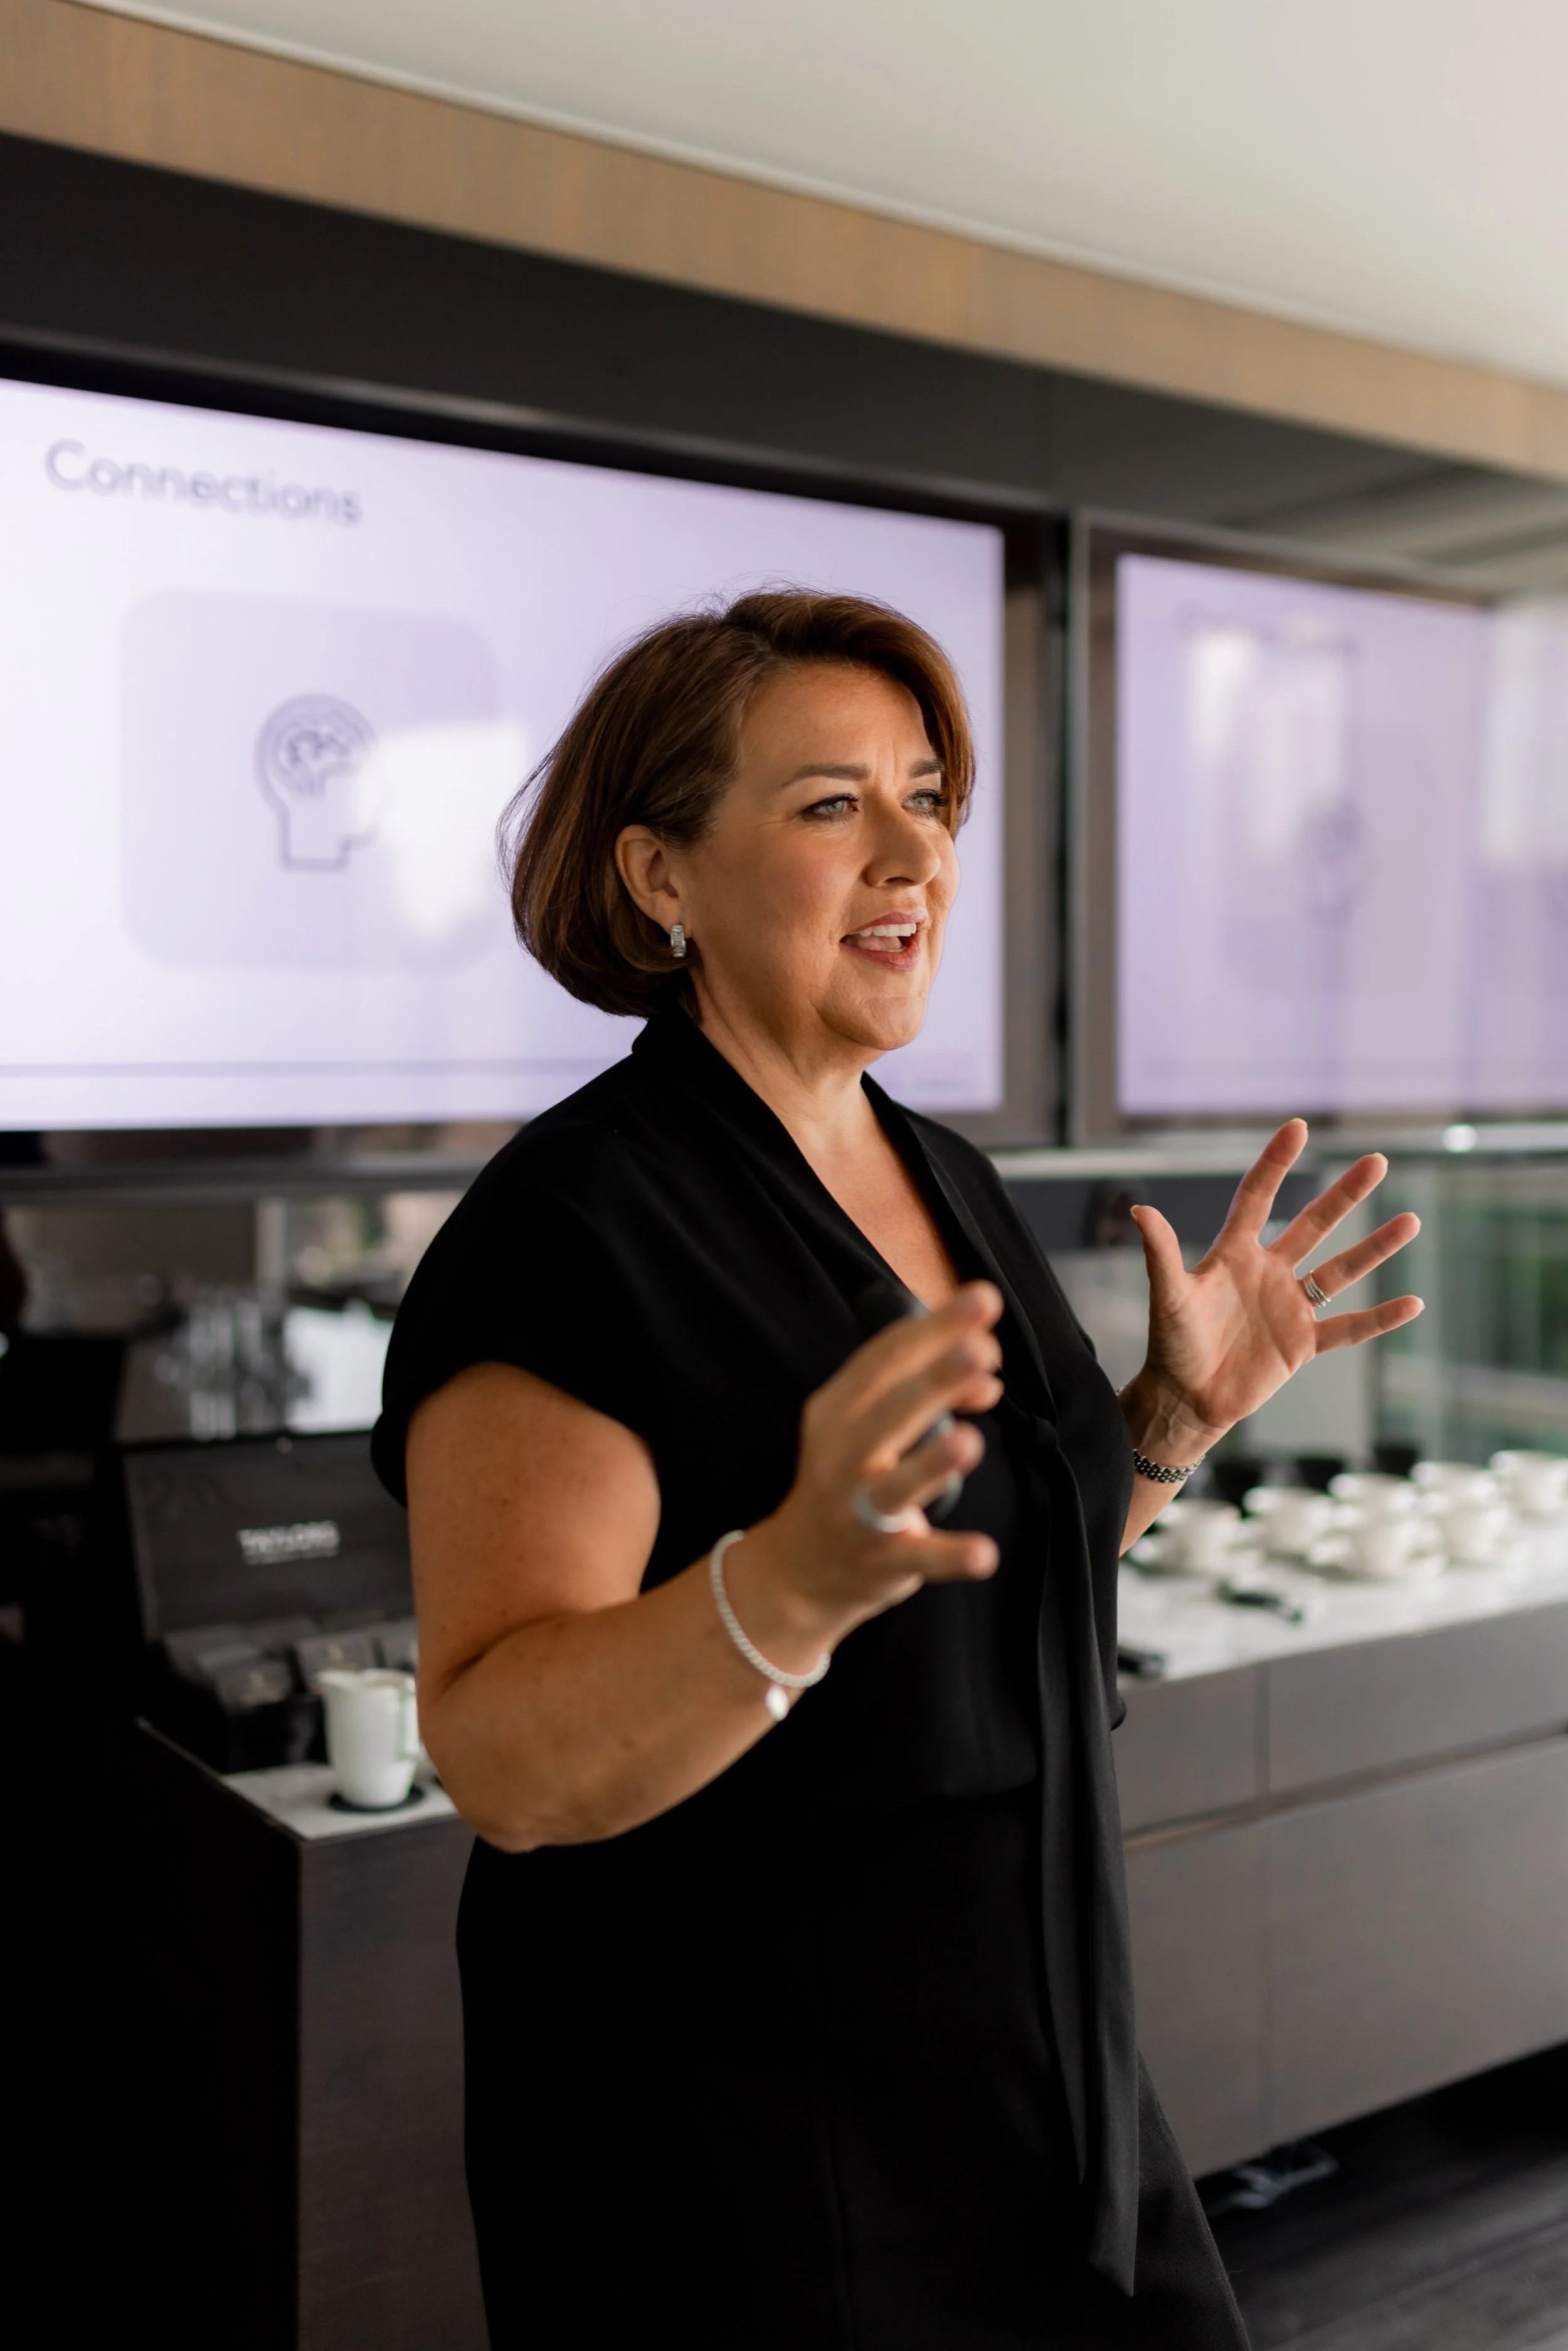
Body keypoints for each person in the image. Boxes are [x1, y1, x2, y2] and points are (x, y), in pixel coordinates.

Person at [373, 591, 1421, 2350]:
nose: (914, 851)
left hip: (1033, 2062)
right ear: (660, 876)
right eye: (829, 803)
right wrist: (780, 1587)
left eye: (926, 798)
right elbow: (502, 1760)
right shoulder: (573, 1228)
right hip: (743, 2144)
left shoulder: (945, 1174)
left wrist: (1167, 1422)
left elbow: (982, 1577)